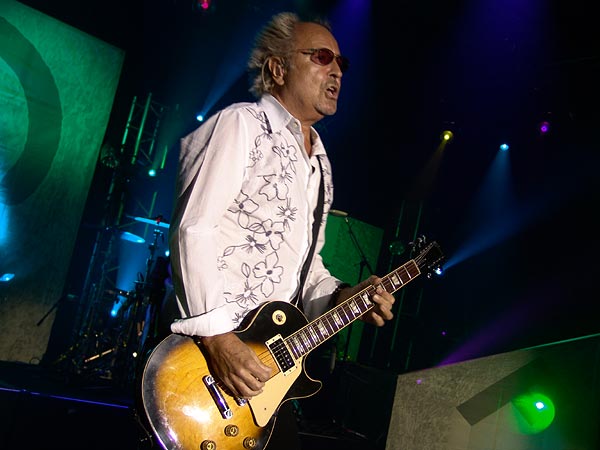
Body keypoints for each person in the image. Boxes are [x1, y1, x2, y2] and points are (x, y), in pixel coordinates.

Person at [167, 11, 396, 449]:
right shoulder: (242, 124)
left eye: (342, 63)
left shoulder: (320, 164)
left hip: (264, 375)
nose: (337, 71)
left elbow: (305, 269)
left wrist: (346, 296)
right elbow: (193, 229)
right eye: (322, 57)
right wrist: (218, 340)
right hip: (208, 363)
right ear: (277, 68)